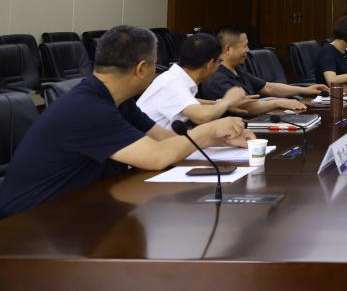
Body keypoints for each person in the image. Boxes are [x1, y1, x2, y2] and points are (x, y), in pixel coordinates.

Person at [0, 25, 253, 219]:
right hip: (30, 225)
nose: (157, 70)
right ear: (141, 69)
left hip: (79, 208)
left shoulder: (117, 100)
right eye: (155, 64)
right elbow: (156, 157)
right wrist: (209, 129)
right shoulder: (87, 108)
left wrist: (219, 138)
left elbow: (165, 139)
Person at [137, 32, 255, 128]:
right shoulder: (173, 84)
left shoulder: (174, 78)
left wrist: (221, 104)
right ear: (210, 64)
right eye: (219, 61)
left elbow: (190, 101)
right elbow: (202, 116)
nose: (219, 66)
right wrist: (227, 100)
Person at [199, 26, 326, 112]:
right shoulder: (216, 77)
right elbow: (245, 108)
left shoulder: (237, 69)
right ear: (228, 49)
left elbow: (268, 87)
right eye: (245, 46)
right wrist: (277, 103)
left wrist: (305, 90)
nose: (248, 50)